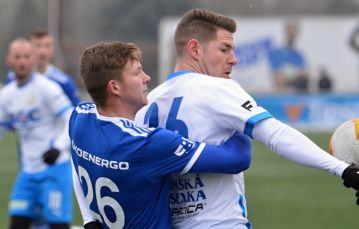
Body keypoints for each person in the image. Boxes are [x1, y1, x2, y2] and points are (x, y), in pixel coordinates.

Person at [135, 9, 359, 228]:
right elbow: (275, 134)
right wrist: (342, 169)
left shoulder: (146, 104)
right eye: (225, 49)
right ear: (195, 49)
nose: (234, 60)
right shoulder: (216, 88)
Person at [70, 41, 252, 229]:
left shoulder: (80, 118)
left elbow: (76, 160)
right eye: (137, 72)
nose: (147, 77)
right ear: (115, 87)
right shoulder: (146, 144)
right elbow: (238, 158)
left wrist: (89, 219)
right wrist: (237, 118)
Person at [0, 38, 73, 229]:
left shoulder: (47, 88)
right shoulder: (6, 96)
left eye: (26, 57)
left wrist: (58, 147)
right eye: (17, 57)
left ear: (34, 60)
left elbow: (71, 118)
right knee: (17, 222)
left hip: (54, 170)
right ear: (8, 60)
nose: (22, 62)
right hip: (28, 173)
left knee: (58, 225)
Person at [5, 28, 81, 106]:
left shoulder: (63, 81)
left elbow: (76, 111)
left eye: (47, 46)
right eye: (38, 46)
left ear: (53, 50)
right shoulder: (13, 77)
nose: (42, 51)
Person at [268, 20, 309, 93]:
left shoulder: (298, 55)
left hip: (297, 94)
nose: (292, 35)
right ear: (286, 32)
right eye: (290, 32)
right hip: (282, 93)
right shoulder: (277, 53)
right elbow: (278, 80)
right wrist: (295, 78)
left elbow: (304, 76)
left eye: (294, 33)